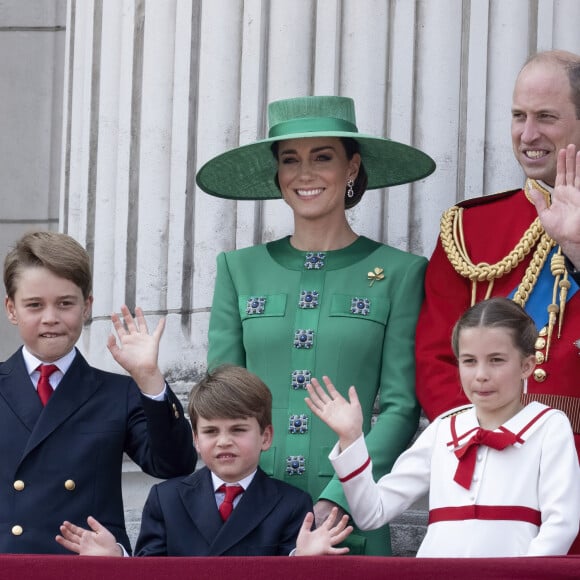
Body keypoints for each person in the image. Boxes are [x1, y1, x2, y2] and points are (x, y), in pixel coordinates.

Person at [195, 95, 436, 555]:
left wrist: (342, 497)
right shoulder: (236, 269)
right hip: (250, 508)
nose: (304, 174)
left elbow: (402, 407)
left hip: (348, 519)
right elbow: (220, 400)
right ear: (278, 174)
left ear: (352, 167)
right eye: (291, 160)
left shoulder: (401, 272)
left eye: (322, 157)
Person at [306, 297, 580, 557]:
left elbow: (562, 523)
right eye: (469, 361)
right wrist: (351, 439)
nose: (481, 375)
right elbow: (372, 513)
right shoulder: (444, 428)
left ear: (526, 366)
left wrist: (524, 575)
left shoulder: (548, 426)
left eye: (496, 360)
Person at [415, 51, 580, 451]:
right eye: (519, 116)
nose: (527, 135)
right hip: (488, 459)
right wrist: (486, 441)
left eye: (546, 117)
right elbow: (435, 359)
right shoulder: (469, 228)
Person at [0, 230, 195, 554]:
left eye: (65, 304)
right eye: (34, 305)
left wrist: (148, 376)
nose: (51, 318)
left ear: (87, 306)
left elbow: (174, 465)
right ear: (11, 309)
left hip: (86, 568)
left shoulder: (118, 392)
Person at [56, 365, 353, 557]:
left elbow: (293, 561)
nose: (224, 441)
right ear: (196, 440)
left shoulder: (291, 504)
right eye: (211, 431)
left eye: (238, 429)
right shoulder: (166, 499)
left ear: (265, 436)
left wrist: (304, 560)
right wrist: (118, 559)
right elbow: (149, 572)